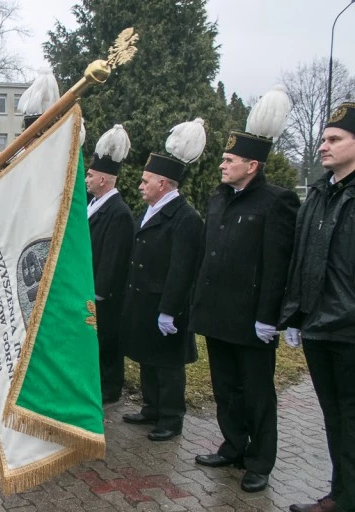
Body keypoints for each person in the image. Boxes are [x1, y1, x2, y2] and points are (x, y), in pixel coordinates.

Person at [190, 86, 299, 494]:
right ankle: (233, 445)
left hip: (252, 319)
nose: (221, 164)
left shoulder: (277, 201)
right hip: (217, 312)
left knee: (257, 393)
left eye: (229, 160)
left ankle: (259, 461)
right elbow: (208, 255)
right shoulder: (219, 199)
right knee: (225, 388)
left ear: (252, 165)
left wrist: (269, 316)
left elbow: (277, 265)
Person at [280, 101, 355, 512]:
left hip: (350, 328)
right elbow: (301, 259)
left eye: (334, 139)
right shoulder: (319, 194)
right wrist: (294, 314)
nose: (323, 146)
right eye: (323, 139)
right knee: (335, 418)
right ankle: (341, 494)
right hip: (318, 325)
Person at [121, 118, 205, 442]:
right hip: (144, 299)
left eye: (146, 180)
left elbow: (182, 269)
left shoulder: (186, 218)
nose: (140, 185)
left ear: (164, 183)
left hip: (165, 304)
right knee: (147, 357)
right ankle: (151, 407)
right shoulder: (151, 209)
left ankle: (171, 418)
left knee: (168, 365)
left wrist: (170, 309)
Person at [86, 125, 134, 405]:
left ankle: (111, 386)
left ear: (104, 179)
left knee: (107, 341)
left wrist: (99, 290)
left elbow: (113, 257)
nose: (87, 179)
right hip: (90, 285)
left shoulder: (118, 212)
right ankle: (99, 381)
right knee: (96, 341)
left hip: (105, 294)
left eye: (91, 175)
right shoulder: (95, 203)